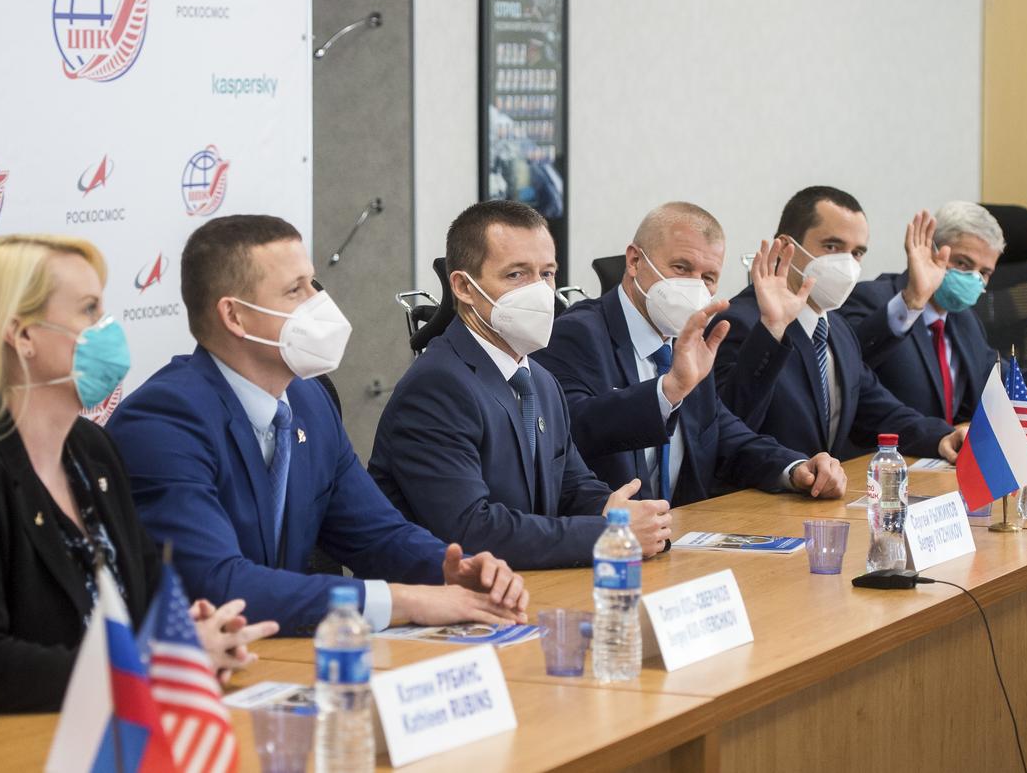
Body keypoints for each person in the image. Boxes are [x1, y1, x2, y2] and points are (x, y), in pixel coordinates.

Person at [0, 235, 272, 743]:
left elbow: (144, 596)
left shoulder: (91, 452)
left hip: (81, 739)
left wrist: (190, 632)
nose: (108, 329)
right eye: (88, 310)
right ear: (22, 336)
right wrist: (153, 662)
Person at [108, 216, 528, 636]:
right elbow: (218, 586)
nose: (318, 301)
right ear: (234, 316)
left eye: (312, 283)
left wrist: (455, 571)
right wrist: (407, 600)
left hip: (279, 654)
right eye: (296, 290)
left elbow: (376, 534)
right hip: (180, 674)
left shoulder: (309, 401)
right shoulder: (163, 421)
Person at [368, 201, 672, 569]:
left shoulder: (540, 380)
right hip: (442, 603)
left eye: (547, 274)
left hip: (528, 587)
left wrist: (620, 514)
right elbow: (470, 530)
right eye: (516, 275)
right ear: (464, 287)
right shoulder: (436, 386)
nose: (540, 291)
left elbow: (571, 485)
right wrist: (611, 536)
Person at [534, 202, 846, 504]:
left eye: (708, 277)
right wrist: (667, 392)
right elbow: (572, 428)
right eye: (681, 268)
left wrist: (795, 469)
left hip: (684, 538)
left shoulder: (692, 337)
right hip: (610, 539)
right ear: (634, 261)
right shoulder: (578, 332)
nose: (693, 287)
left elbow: (723, 433)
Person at [711, 186, 965, 461]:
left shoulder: (838, 329)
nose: (846, 262)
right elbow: (726, 426)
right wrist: (771, 331)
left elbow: (879, 411)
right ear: (786, 247)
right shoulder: (742, 322)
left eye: (857, 253)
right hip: (755, 498)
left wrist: (942, 437)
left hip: (821, 498)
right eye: (832, 247)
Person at [840, 201, 1027, 425]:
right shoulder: (871, 300)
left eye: (984, 272)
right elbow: (847, 367)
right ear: (928, 250)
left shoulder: (963, 318)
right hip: (886, 462)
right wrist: (912, 301)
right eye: (962, 263)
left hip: (946, 460)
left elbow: (997, 373)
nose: (973, 278)